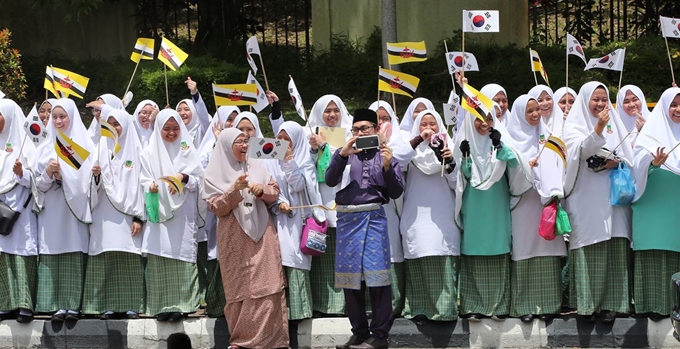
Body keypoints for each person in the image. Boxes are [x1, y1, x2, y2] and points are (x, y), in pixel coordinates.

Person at [203, 128, 289, 349]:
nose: (243, 145)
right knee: (241, 289)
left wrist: (262, 190)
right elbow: (216, 208)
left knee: (269, 285)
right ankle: (242, 342)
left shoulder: (256, 165)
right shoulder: (213, 174)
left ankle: (273, 342)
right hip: (234, 237)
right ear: (225, 147)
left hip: (263, 234)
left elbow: (274, 190)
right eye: (237, 142)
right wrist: (234, 190)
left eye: (245, 141)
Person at [326, 109, 404, 349]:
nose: (360, 133)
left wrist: (389, 167)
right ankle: (359, 332)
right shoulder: (344, 154)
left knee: (377, 278)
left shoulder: (386, 155)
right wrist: (342, 154)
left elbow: (396, 192)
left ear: (376, 130)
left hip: (373, 219)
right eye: (356, 129)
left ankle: (379, 337)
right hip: (348, 220)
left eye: (365, 129)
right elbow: (329, 180)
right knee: (351, 281)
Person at [562, 82, 634, 322]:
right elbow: (579, 152)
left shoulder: (616, 125)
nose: (602, 104)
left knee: (613, 245)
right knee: (589, 247)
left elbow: (628, 156)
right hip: (586, 199)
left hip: (613, 199)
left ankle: (612, 305)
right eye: (596, 99)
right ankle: (587, 305)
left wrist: (615, 160)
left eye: (605, 99)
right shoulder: (573, 127)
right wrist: (599, 127)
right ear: (585, 101)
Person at [453, 106, 531, 321]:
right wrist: (465, 157)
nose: (483, 123)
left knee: (497, 250)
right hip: (474, 205)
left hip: (496, 204)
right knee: (474, 252)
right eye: (478, 119)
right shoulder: (463, 141)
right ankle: (473, 306)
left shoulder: (501, 139)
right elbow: (457, 177)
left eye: (488, 118)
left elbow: (517, 164)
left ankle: (499, 306)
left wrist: (500, 146)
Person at [506, 95, 567, 322]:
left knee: (546, 250)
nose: (534, 115)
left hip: (545, 204)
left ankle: (550, 304)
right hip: (522, 204)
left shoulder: (548, 138)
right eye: (529, 111)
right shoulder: (510, 141)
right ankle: (524, 306)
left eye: (536, 110)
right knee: (525, 250)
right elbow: (507, 175)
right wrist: (525, 168)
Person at [140, 109, 204, 322]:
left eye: (176, 128)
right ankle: (161, 306)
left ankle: (182, 304)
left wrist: (183, 178)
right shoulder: (148, 153)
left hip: (183, 214)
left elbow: (199, 182)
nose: (171, 133)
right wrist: (151, 186)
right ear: (158, 129)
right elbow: (142, 180)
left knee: (181, 254)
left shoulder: (188, 150)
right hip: (158, 211)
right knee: (161, 255)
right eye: (166, 129)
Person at [34, 98, 95, 321]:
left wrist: (66, 177)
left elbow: (88, 182)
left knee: (74, 251)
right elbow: (38, 186)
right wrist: (49, 173)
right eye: (55, 117)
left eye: (62, 116)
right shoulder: (43, 148)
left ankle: (74, 305)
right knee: (53, 251)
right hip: (52, 211)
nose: (58, 121)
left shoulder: (86, 145)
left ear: (71, 117)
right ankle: (56, 304)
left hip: (75, 212)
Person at [82, 109, 145, 320]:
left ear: (126, 124)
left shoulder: (137, 149)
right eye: (109, 124)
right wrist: (96, 177)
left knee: (128, 259)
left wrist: (139, 217)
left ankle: (131, 305)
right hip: (104, 214)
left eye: (117, 124)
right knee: (105, 256)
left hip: (129, 217)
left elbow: (142, 185)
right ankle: (104, 304)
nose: (113, 128)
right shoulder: (98, 149)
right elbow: (89, 187)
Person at [399, 109, 460, 322]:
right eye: (423, 124)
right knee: (419, 256)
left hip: (442, 212)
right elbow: (397, 164)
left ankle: (444, 311)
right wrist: (416, 142)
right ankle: (419, 309)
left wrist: (449, 159)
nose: (428, 128)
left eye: (432, 124)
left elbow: (455, 183)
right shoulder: (409, 151)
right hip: (416, 213)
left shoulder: (449, 147)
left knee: (441, 255)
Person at [630, 87, 680, 321]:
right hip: (652, 205)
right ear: (663, 106)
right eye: (673, 104)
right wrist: (653, 162)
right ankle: (652, 305)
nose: (678, 109)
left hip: (675, 206)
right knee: (654, 253)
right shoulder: (649, 135)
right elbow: (636, 164)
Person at [269, 121, 325, 321]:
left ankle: (300, 311)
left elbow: (300, 185)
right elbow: (271, 184)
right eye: (280, 139)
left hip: (297, 222)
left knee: (295, 261)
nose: (283, 143)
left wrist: (290, 161)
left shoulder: (304, 161)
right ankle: (281, 313)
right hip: (278, 217)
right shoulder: (271, 160)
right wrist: (280, 201)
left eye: (287, 140)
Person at [306, 94, 353, 316]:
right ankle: (325, 304)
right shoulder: (310, 134)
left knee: (345, 255)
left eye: (336, 110)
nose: (332, 115)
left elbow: (349, 160)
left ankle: (347, 304)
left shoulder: (351, 133)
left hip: (344, 197)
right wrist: (314, 149)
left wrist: (326, 144)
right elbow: (304, 166)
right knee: (323, 254)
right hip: (321, 199)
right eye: (327, 111)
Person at [196, 105, 239, 318]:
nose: (230, 123)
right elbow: (203, 169)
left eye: (234, 119)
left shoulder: (245, 147)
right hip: (218, 209)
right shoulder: (208, 146)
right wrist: (217, 143)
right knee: (216, 250)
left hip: (242, 211)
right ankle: (215, 302)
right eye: (227, 119)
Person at [368, 100, 410, 317]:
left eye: (386, 118)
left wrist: (385, 147)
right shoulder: (362, 144)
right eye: (377, 119)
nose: (382, 122)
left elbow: (403, 158)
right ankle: (374, 305)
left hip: (394, 206)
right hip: (370, 208)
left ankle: (394, 304)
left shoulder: (400, 140)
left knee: (393, 248)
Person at [0, 99, 38, 323]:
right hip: (0, 209)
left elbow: (35, 179)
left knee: (21, 253)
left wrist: (20, 172)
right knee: (3, 255)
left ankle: (24, 304)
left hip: (20, 211)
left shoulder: (26, 145)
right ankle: (5, 303)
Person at [176, 77, 212, 148]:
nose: (182, 113)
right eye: (179, 110)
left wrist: (195, 93)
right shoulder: (174, 132)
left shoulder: (201, 130)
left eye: (186, 109)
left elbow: (203, 114)